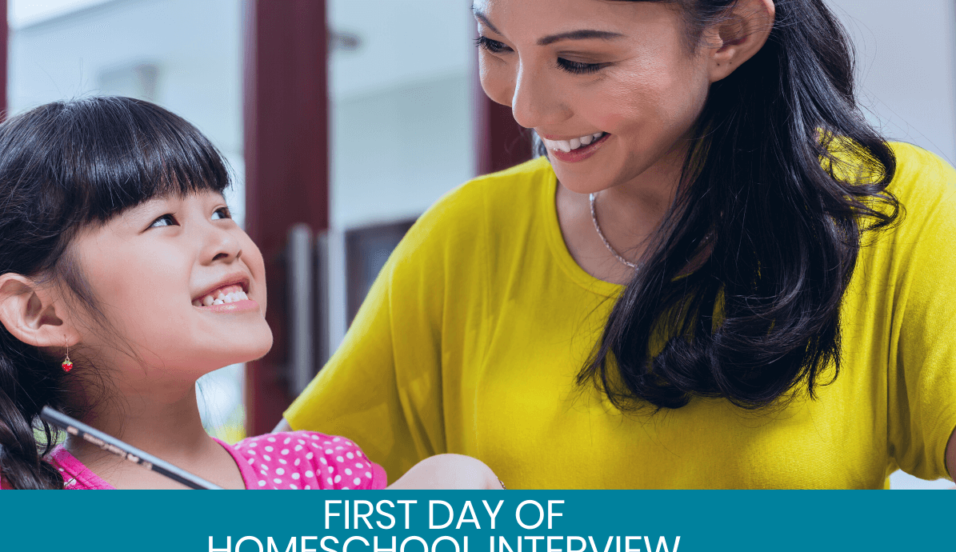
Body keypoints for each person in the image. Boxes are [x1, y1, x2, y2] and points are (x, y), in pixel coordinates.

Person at [281, 0, 956, 488]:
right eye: (495, 45)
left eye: (579, 61)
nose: (526, 109)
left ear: (728, 35)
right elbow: (281, 511)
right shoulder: (463, 238)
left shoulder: (893, 212)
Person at [0, 97, 501, 490]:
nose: (226, 241)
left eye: (221, 210)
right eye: (163, 221)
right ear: (40, 312)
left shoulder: (318, 473)